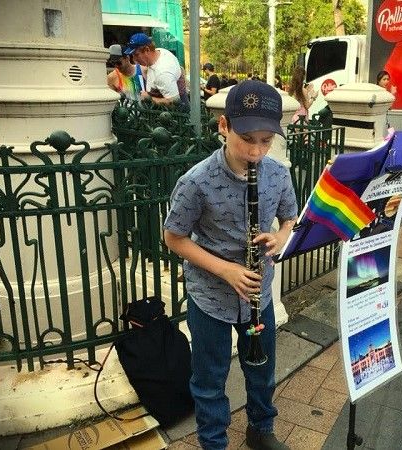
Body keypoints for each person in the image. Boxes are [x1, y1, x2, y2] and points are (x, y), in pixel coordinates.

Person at [163, 80, 298, 450]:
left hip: (259, 296)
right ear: (224, 127)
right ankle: (213, 443)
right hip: (211, 298)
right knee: (209, 379)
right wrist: (225, 270)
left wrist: (281, 236)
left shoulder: (277, 173)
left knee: (261, 372)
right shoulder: (196, 181)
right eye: (247, 138)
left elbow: (290, 218)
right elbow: (173, 238)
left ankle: (260, 429)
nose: (256, 150)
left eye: (266, 141)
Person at [124, 33, 182, 105]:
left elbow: (176, 103)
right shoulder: (160, 51)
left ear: (147, 50)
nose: (134, 59)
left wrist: (150, 98)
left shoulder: (163, 73)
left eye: (136, 55)